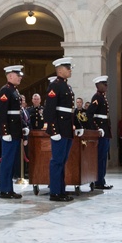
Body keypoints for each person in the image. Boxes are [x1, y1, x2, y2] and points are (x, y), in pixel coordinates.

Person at [44, 58, 80, 202]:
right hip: (59, 129)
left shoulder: (67, 86)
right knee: (56, 161)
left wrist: (76, 126)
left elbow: (70, 111)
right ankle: (55, 192)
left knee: (63, 161)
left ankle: (61, 190)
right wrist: (53, 130)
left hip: (66, 129)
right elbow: (49, 110)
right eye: (67, 67)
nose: (70, 70)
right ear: (59, 70)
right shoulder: (55, 85)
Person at [0, 65, 28, 199]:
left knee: (12, 162)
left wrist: (23, 127)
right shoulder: (5, 90)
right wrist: (5, 132)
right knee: (7, 161)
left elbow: (16, 113)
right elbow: (2, 113)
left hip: (15, 130)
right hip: (9, 131)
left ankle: (9, 189)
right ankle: (4, 189)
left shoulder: (14, 90)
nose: (20, 77)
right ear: (10, 76)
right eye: (17, 75)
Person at [90, 76, 113, 189]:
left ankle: (101, 180)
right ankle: (99, 181)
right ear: (98, 86)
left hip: (105, 130)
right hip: (101, 131)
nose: (106, 86)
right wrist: (97, 128)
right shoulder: (97, 97)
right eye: (104, 84)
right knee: (100, 157)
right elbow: (90, 115)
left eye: (106, 84)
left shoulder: (102, 98)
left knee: (103, 157)